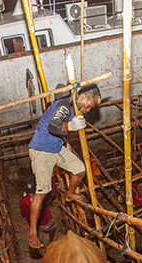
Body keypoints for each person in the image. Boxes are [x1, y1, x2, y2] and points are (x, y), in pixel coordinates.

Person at [27, 83, 102, 249]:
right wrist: (71, 126)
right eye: (88, 106)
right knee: (42, 192)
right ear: (82, 97)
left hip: (56, 147)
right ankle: (32, 232)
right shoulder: (65, 105)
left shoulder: (74, 106)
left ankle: (69, 195)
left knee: (80, 169)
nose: (88, 110)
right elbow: (53, 126)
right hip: (41, 151)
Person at [20, 179, 56, 245]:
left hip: (33, 222)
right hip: (45, 220)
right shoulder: (41, 197)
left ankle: (38, 244)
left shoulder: (22, 199)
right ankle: (50, 240)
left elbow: (23, 212)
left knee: (37, 233)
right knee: (52, 227)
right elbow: (52, 195)